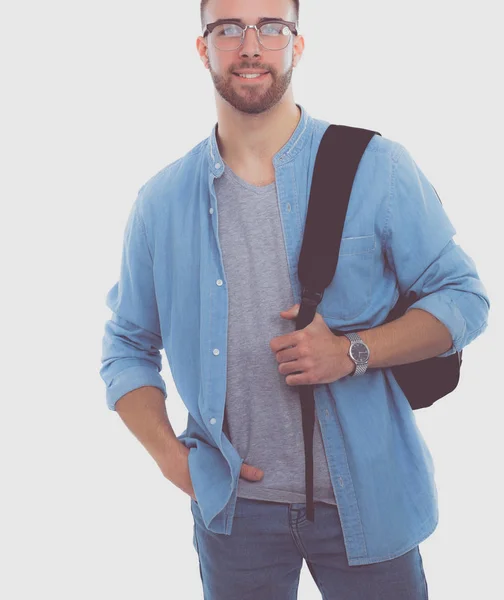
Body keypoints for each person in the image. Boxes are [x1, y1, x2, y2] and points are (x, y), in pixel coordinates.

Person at [99, 0, 490, 598]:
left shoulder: (376, 168)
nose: (250, 46)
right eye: (228, 29)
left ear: (297, 45)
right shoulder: (161, 203)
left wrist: (352, 351)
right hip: (234, 514)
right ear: (203, 48)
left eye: (271, 28)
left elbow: (465, 298)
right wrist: (174, 462)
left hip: (369, 498)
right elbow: (126, 346)